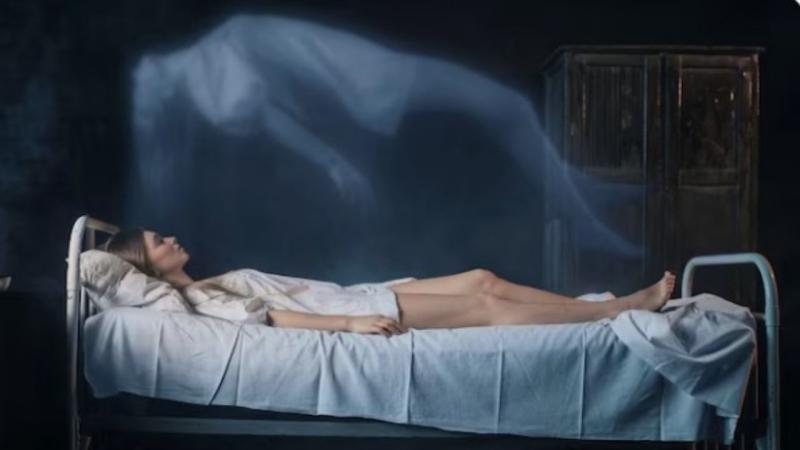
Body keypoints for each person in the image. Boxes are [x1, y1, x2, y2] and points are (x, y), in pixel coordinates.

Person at [105, 228, 675, 337]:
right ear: (148, 265)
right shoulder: (199, 297)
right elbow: (269, 318)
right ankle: (612, 311)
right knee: (484, 302)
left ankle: (586, 305)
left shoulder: (209, 281)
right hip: (358, 308)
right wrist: (351, 323)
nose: (169, 238)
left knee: (483, 277)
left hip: (362, 291)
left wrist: (364, 296)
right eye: (157, 241)